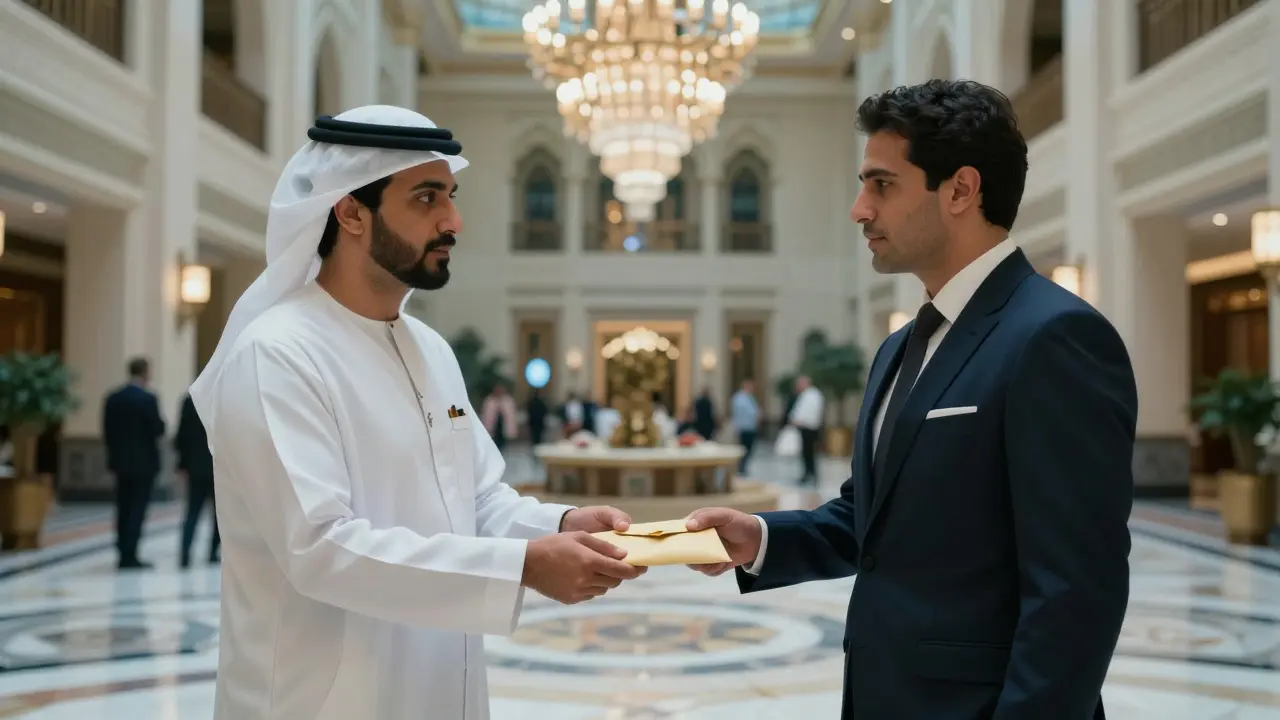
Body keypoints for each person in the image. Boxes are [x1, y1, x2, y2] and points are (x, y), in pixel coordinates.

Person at [685, 80, 1137, 720]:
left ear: (960, 190)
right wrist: (758, 537)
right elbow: (876, 519)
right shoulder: (902, 345)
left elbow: (1075, 591)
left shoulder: (1055, 337)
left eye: (882, 185)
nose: (859, 209)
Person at [188, 107, 645, 720]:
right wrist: (523, 566)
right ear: (351, 212)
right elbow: (320, 548)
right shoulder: (277, 353)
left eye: (450, 196)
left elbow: (477, 499)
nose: (453, 220)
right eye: (426, 198)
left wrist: (559, 525)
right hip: (323, 698)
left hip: (441, 687)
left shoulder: (429, 348)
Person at [102, 357, 165, 570]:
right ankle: (131, 553)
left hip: (120, 463)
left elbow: (107, 431)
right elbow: (157, 429)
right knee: (137, 508)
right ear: (145, 372)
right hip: (143, 464)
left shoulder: (113, 398)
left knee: (123, 507)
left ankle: (122, 552)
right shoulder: (148, 399)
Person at [175, 392, 219, 567]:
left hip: (195, 467)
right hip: (217, 466)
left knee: (192, 512)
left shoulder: (189, 400)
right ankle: (212, 552)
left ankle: (185, 554)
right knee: (218, 514)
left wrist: (183, 464)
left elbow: (182, 435)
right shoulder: (221, 398)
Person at [786, 375, 824, 485]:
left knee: (809, 453)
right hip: (804, 428)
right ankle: (808, 474)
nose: (797, 386)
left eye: (799, 384)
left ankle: (811, 475)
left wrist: (800, 421)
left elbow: (812, 413)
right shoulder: (806, 394)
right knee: (806, 453)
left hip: (809, 428)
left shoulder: (813, 395)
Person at [730, 379, 759, 474]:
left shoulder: (750, 398)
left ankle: (744, 466)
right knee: (742, 449)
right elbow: (738, 413)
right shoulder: (739, 398)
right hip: (743, 428)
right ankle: (740, 467)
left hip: (751, 427)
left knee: (749, 449)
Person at [481, 383, 517, 453]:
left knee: (502, 444)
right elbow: (486, 415)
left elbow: (511, 415)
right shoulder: (489, 401)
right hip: (493, 426)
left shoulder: (508, 401)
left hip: (503, 426)